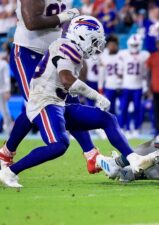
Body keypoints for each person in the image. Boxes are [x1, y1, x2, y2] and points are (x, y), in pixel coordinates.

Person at [0, 16, 159, 188]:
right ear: (82, 36)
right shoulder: (65, 46)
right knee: (59, 145)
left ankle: (134, 158)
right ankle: (9, 172)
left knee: (107, 119)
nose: (96, 46)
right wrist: (97, 96)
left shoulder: (72, 49)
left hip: (59, 104)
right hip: (44, 103)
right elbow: (66, 79)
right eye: (94, 41)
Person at [0, 0, 100, 174]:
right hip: (27, 52)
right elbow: (31, 22)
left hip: (53, 52)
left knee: (67, 102)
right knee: (40, 103)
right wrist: (63, 16)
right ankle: (6, 153)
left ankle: (91, 154)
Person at [118, 34, 150, 137]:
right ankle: (123, 128)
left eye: (136, 45)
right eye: (133, 45)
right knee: (123, 108)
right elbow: (120, 71)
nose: (134, 47)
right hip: (126, 86)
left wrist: (145, 85)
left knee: (137, 109)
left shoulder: (144, 55)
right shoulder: (123, 54)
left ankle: (136, 128)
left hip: (138, 86)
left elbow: (146, 73)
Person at [99, 35, 122, 115]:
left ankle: (123, 126)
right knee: (109, 108)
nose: (112, 47)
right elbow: (101, 74)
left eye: (113, 45)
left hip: (121, 85)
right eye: (110, 45)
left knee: (122, 107)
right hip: (109, 85)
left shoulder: (122, 55)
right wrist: (100, 87)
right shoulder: (104, 56)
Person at [0, 55, 12, 133]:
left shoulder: (3, 64)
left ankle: (9, 130)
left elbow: (6, 78)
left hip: (2, 91)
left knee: (5, 111)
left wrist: (7, 91)